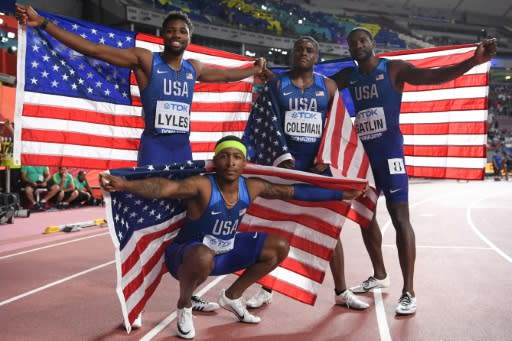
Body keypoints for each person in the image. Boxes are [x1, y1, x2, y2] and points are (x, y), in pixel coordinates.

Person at [15, 3, 267, 315]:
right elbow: (96, 50)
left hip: (182, 153)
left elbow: (226, 76)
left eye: (182, 31)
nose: (176, 35)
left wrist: (252, 70)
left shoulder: (193, 68)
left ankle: (190, 286)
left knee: (190, 216)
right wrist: (44, 25)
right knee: (147, 213)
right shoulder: (146, 60)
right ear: (162, 36)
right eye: (170, 31)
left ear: (189, 37)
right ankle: (140, 268)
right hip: (155, 150)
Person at [101, 135, 367, 339]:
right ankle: (184, 306)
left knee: (278, 246)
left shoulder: (252, 186)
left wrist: (339, 195)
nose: (230, 162)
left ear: (244, 162)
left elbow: (292, 192)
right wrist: (125, 184)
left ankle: (232, 296)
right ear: (216, 161)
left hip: (224, 254)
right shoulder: (202, 185)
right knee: (203, 255)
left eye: (237, 157)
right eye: (225, 156)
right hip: (187, 257)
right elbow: (164, 187)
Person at [329, 27, 497, 315]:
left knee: (400, 219)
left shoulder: (393, 68)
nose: (358, 45)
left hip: (390, 156)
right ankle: (379, 274)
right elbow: (314, 88)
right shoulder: (347, 76)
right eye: (353, 42)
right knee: (365, 218)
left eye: (362, 40)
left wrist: (473, 61)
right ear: (348, 49)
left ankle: (409, 291)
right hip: (363, 160)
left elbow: (433, 77)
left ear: (372, 43)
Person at [243, 37, 369, 310]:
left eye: (309, 50)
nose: (303, 53)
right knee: (275, 226)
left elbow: (338, 127)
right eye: (299, 49)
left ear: (316, 57)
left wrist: (326, 157)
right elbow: (265, 122)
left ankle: (341, 290)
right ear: (292, 54)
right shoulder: (277, 84)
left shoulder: (329, 87)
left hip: (316, 169)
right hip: (284, 166)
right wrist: (281, 156)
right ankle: (266, 288)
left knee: (329, 227)